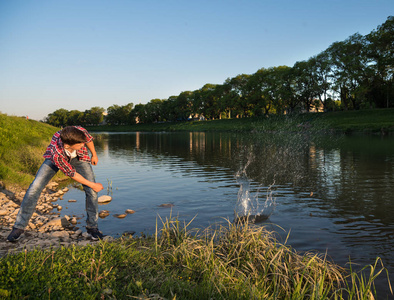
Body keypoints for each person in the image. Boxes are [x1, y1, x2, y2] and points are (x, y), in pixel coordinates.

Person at [7, 126, 104, 242]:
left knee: (91, 191)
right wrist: (93, 184)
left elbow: (88, 140)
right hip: (54, 160)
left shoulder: (80, 131)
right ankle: (18, 227)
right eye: (80, 144)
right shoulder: (56, 153)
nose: (83, 145)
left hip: (80, 158)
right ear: (67, 145)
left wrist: (94, 154)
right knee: (34, 188)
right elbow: (71, 174)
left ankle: (92, 228)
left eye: (83, 143)